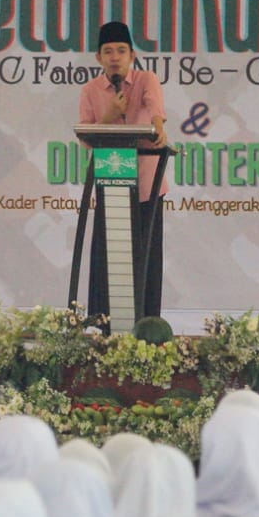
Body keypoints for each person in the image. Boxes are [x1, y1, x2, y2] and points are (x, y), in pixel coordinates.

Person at [78, 21, 169, 324]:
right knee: (109, 257)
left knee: (146, 257)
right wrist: (109, 116)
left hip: (146, 185)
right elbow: (86, 137)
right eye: (108, 52)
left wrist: (158, 127)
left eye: (120, 51)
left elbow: (154, 108)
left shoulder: (146, 79)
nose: (114, 57)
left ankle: (147, 325)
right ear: (98, 58)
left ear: (132, 55)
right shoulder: (90, 90)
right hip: (111, 183)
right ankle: (103, 323)